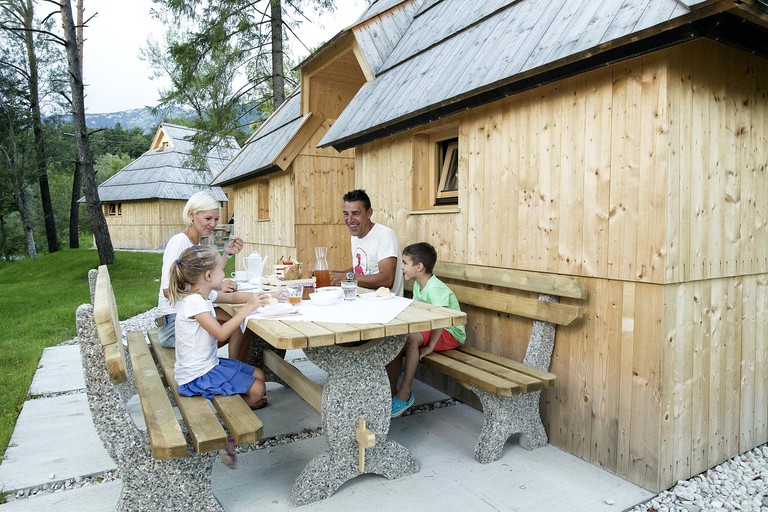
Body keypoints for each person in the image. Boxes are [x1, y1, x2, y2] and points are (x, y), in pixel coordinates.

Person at [167, 245, 271, 468]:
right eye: (221, 270)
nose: (224, 274)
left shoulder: (204, 293)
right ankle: (226, 433)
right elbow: (222, 333)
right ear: (208, 275)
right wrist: (249, 309)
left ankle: (236, 410)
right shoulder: (194, 302)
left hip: (208, 364)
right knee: (257, 389)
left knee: (260, 374)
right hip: (197, 375)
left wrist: (265, 295)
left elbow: (234, 298)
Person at [156, 191, 248, 361]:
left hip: (184, 315)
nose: (213, 224)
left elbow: (207, 276)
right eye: (208, 219)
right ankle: (235, 373)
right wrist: (216, 289)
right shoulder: (180, 242)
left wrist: (227, 253)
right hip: (172, 323)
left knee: (239, 321)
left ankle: (235, 371)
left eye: (216, 219)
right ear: (191, 215)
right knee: (238, 325)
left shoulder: (196, 243)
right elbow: (168, 290)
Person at [387, 242, 466, 417]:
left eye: (405, 263)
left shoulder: (435, 288)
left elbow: (442, 320)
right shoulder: (418, 284)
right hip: (435, 329)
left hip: (450, 332)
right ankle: (389, 390)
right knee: (396, 336)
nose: (402, 267)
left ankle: (405, 392)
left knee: (412, 338)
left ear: (419, 267)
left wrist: (430, 346)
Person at [329, 189, 404, 296]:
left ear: (369, 213)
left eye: (355, 213)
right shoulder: (355, 236)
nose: (350, 220)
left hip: (386, 305)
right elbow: (363, 269)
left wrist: (347, 277)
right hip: (363, 298)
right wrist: (332, 275)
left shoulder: (384, 235)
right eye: (346, 214)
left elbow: (387, 280)